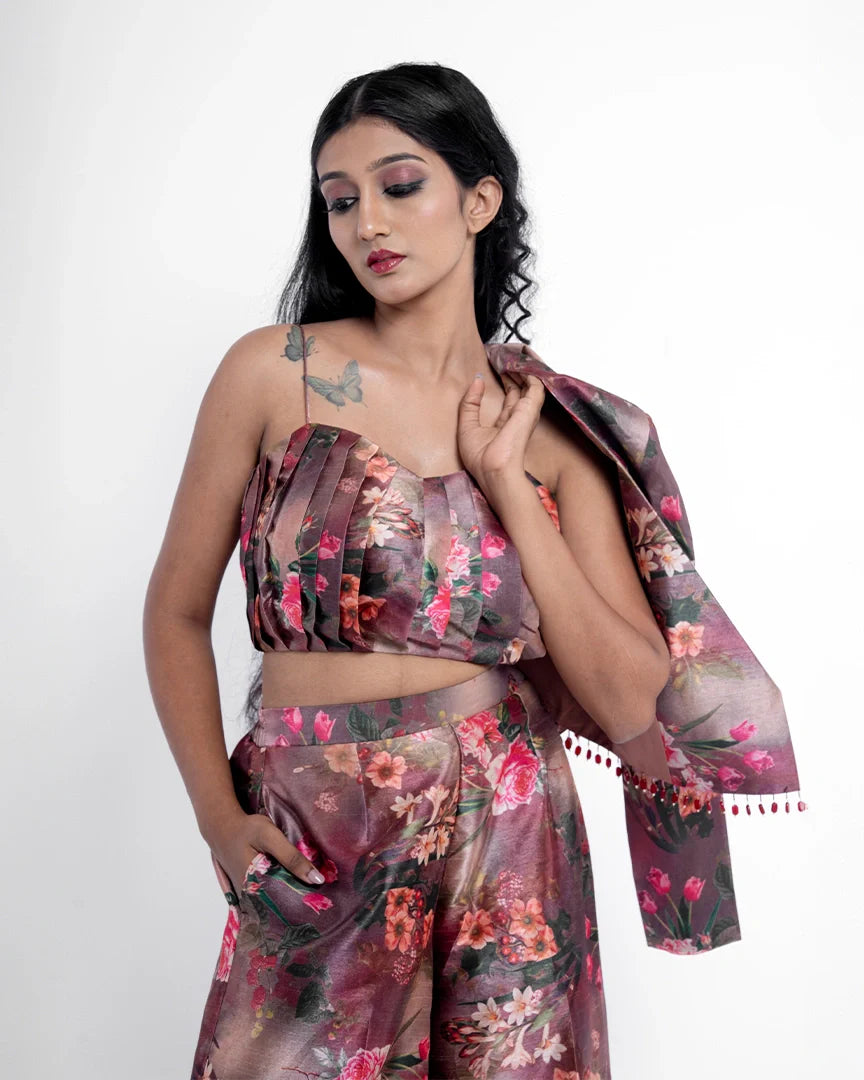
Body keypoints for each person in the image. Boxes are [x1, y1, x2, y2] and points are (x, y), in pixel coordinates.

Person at [143, 62, 803, 1080]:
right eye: (340, 200)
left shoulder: (550, 429)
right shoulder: (275, 373)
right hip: (314, 820)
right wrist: (218, 821)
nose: (367, 222)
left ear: (479, 201)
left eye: (401, 185)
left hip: (507, 824)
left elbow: (630, 695)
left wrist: (508, 482)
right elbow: (176, 614)